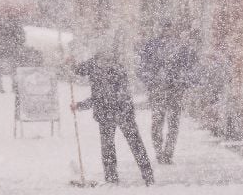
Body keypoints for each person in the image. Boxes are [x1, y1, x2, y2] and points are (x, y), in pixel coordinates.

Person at [73, 39, 155, 186]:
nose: (101, 63)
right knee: (110, 146)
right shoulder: (94, 65)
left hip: (121, 111)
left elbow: (102, 96)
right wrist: (71, 63)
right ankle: (112, 177)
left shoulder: (116, 69)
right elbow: (79, 70)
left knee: (132, 144)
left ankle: (146, 174)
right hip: (108, 113)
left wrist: (81, 105)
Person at [136, 24, 200, 164]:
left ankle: (168, 153)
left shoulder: (183, 49)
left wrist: (183, 81)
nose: (167, 32)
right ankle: (160, 152)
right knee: (158, 122)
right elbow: (141, 68)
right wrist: (151, 80)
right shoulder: (151, 47)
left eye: (170, 29)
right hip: (159, 90)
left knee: (172, 123)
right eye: (165, 29)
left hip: (174, 90)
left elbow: (193, 69)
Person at [0, 13, 26, 94]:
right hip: (10, 48)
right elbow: (21, 37)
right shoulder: (15, 23)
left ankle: (1, 87)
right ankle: (13, 86)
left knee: (1, 68)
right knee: (12, 69)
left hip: (2, 48)